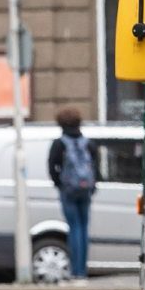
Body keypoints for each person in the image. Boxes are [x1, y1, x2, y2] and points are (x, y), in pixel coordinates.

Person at [48, 108, 99, 281]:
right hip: (85, 189)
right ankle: (82, 270)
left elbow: (52, 166)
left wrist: (59, 184)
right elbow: (96, 166)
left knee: (74, 227)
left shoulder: (60, 143)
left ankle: (75, 271)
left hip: (68, 189)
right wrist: (92, 186)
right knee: (84, 228)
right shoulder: (88, 143)